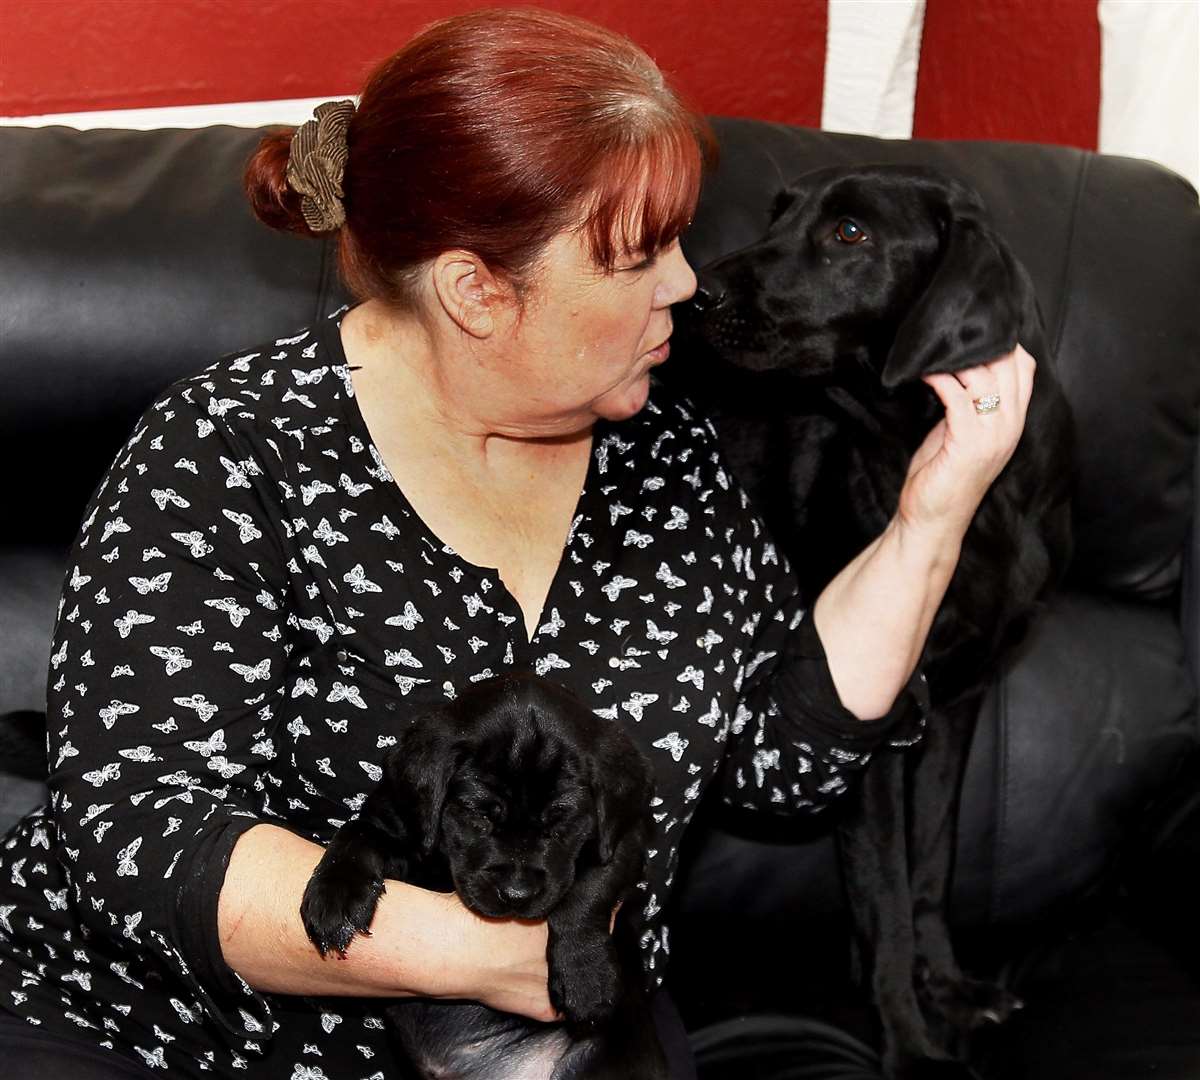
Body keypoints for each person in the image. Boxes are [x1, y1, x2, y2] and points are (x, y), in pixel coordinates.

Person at [0, 8, 1035, 1079]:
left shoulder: (665, 457)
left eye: (679, 239)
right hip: (170, 1037)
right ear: (475, 290)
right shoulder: (228, 454)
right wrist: (489, 955)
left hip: (557, 1039)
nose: (687, 283)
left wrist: (931, 518)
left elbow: (783, 764)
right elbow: (137, 837)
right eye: (640, 255)